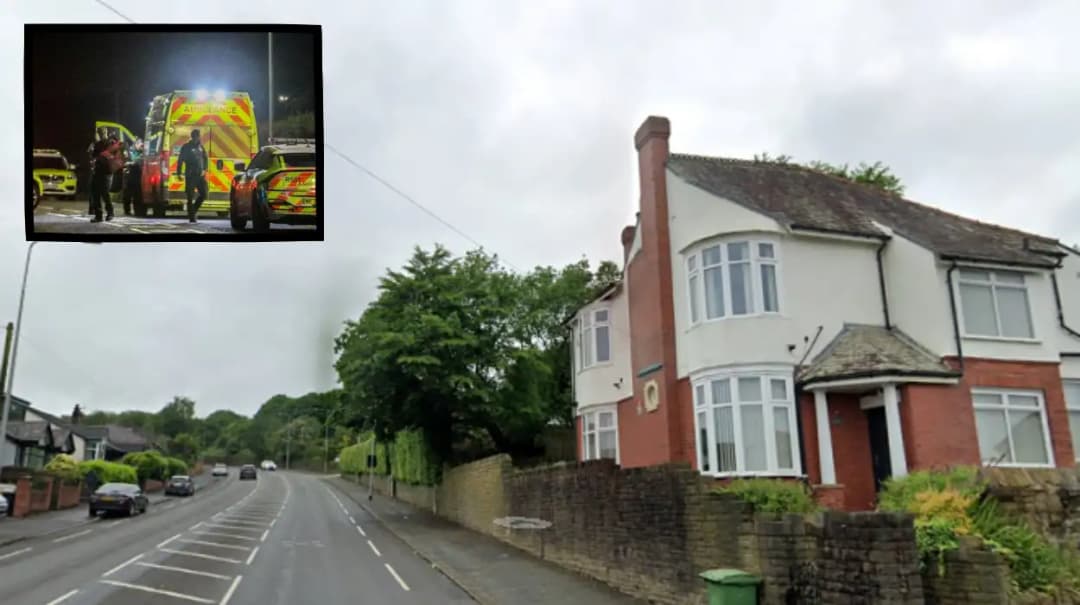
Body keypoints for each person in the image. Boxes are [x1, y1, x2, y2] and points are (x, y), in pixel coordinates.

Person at [176, 129, 209, 223]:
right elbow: (180, 160)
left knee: (204, 194)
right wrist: (179, 173)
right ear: (192, 137)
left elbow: (205, 159)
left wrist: (204, 169)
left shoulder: (201, 147)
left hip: (200, 175)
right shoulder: (186, 147)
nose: (197, 138)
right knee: (190, 196)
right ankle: (192, 216)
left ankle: (193, 210)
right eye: (195, 136)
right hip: (190, 175)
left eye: (198, 136)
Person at [89, 135, 121, 222]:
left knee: (105, 194)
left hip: (106, 173)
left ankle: (110, 213)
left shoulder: (111, 143)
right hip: (97, 172)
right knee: (96, 194)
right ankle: (98, 216)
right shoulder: (97, 145)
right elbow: (93, 155)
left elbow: (115, 156)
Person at [121, 138, 144, 216]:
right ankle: (127, 211)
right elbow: (124, 162)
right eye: (140, 145)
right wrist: (131, 163)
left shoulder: (142, 153)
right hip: (129, 176)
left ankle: (137, 211)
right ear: (136, 144)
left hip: (138, 176)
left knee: (137, 195)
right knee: (127, 195)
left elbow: (141, 161)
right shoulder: (129, 152)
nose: (142, 146)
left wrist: (133, 163)